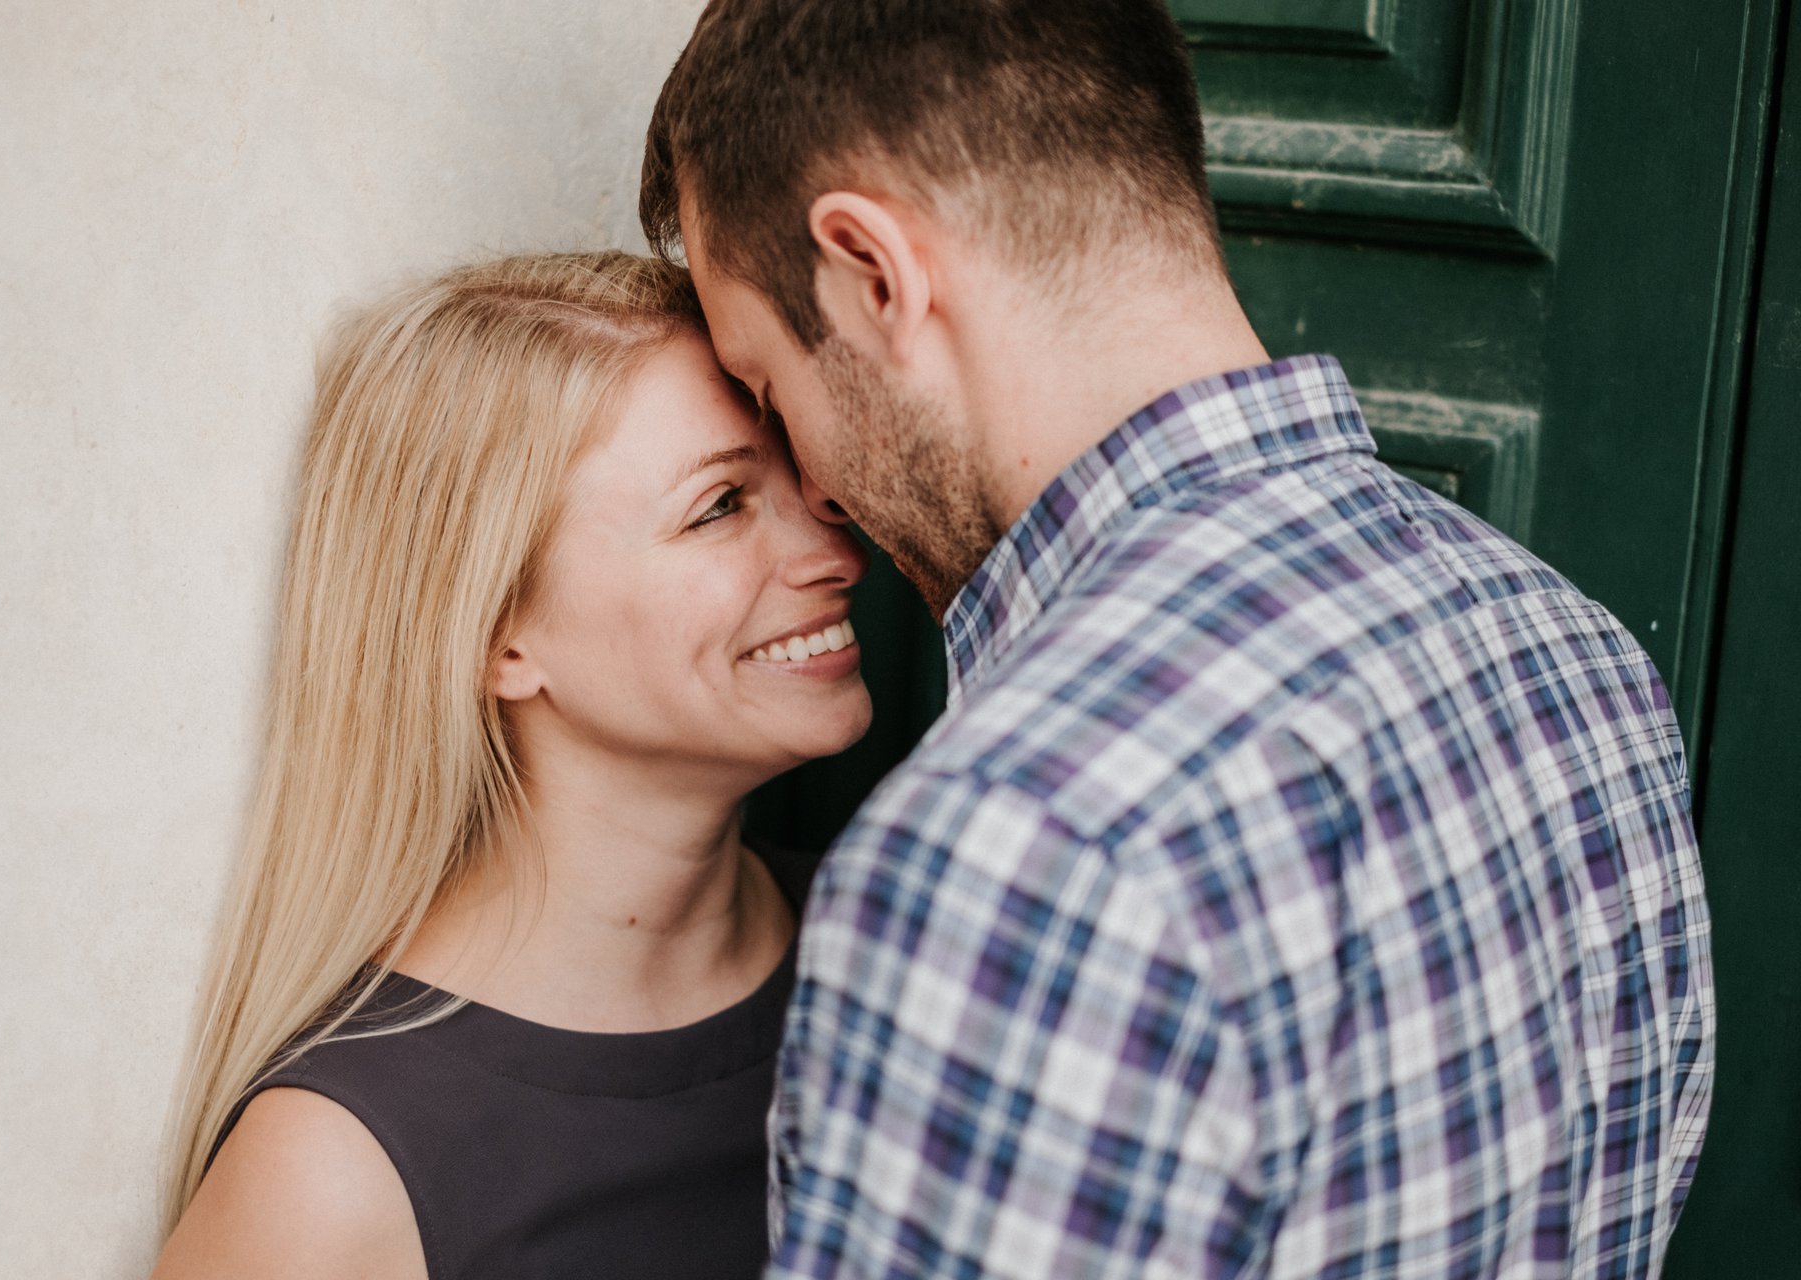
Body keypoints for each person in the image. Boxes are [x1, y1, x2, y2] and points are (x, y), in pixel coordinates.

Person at [641, 3, 1715, 1277]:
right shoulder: (1573, 653)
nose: (814, 492)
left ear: (874, 271)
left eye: (770, 388)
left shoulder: (1022, 843)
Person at [150, 251, 873, 1280]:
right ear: (497, 634)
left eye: (799, 471)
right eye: (720, 505)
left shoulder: (908, 956)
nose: (837, 551)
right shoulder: (330, 1180)